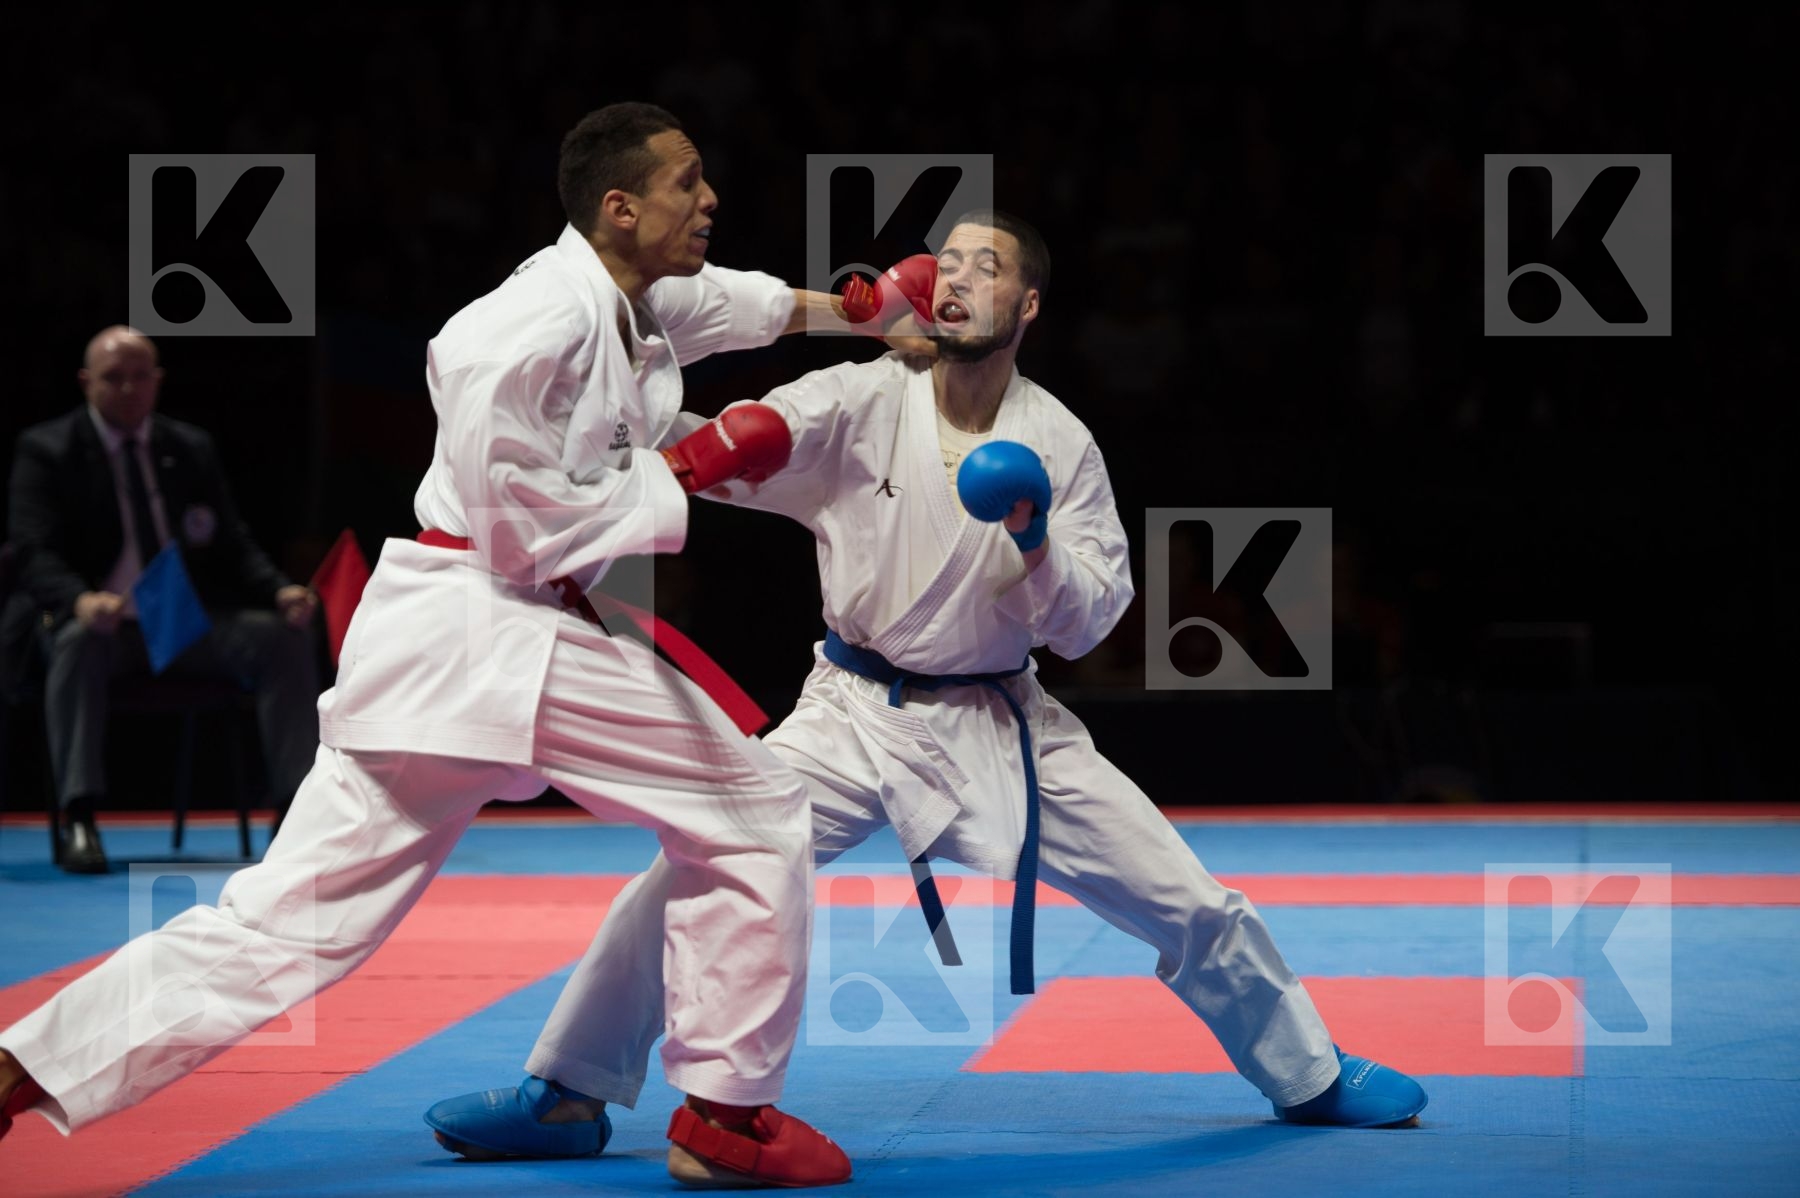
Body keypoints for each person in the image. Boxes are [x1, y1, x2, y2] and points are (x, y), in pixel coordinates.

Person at [0, 102, 896, 1189]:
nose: (710, 200)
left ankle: (15, 1069)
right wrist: (693, 465)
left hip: (456, 645)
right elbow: (516, 523)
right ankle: (725, 1118)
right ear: (620, 206)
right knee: (757, 812)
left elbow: (740, 306)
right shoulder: (519, 330)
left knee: (285, 922)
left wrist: (866, 309)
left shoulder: (634, 296)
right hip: (495, 619)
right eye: (688, 183)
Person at [422, 211, 1429, 1164]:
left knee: (1188, 899)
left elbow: (1091, 618)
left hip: (1003, 725)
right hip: (850, 714)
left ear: (1029, 306)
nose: (955, 280)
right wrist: (647, 426)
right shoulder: (860, 397)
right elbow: (742, 441)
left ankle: (1310, 1072)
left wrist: (1034, 536)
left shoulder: (1062, 443)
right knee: (692, 864)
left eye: (986, 268)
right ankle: (568, 1091)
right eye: (946, 264)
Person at [5, 327, 320, 873]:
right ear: (86, 383)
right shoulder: (47, 450)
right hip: (102, 630)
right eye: (113, 378)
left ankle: (296, 813)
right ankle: (78, 816)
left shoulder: (187, 448)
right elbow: (32, 551)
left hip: (180, 626)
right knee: (77, 641)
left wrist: (278, 589)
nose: (128, 389)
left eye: (139, 377)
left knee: (281, 636)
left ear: (157, 381)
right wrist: (79, 600)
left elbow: (230, 541)